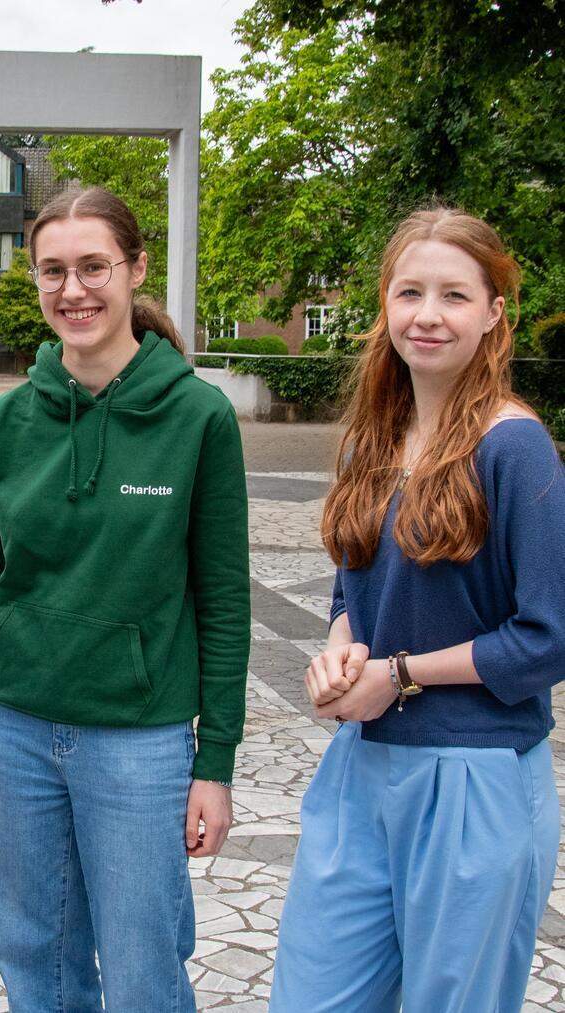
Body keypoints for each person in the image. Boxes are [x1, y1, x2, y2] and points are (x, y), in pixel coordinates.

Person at [0, 186, 251, 1011]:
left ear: (136, 269)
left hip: (140, 739)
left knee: (142, 964)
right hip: (17, 729)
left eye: (94, 267)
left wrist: (215, 762)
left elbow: (224, 601)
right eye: (53, 270)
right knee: (36, 958)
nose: (73, 290)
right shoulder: (3, 423)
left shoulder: (198, 418)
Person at [271, 208, 564, 1012]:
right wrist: (340, 656)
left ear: (494, 313)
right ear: (385, 305)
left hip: (473, 777)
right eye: (410, 292)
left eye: (454, 295)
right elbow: (352, 592)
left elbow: (548, 638)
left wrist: (398, 675)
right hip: (361, 768)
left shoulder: (515, 446)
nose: (428, 314)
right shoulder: (376, 435)